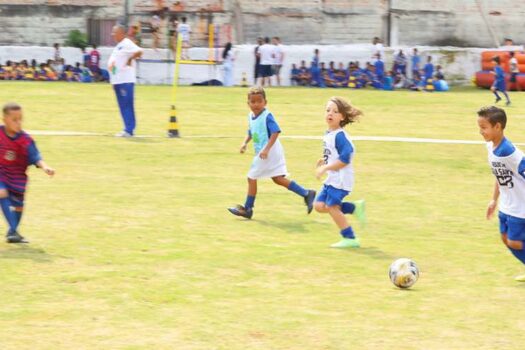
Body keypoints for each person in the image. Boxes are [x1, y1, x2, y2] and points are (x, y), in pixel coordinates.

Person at [227, 87, 316, 219]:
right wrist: (245, 143)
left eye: (259, 101)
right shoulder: (251, 116)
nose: (256, 104)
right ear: (248, 103)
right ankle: (306, 193)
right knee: (277, 179)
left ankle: (248, 209)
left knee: (251, 178)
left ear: (265, 102)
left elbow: (276, 132)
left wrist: (266, 149)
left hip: (269, 151)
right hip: (265, 152)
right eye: (253, 101)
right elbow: (251, 131)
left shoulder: (267, 116)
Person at [478, 106, 525, 282]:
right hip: (506, 205)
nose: (481, 131)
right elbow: (499, 176)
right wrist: (493, 200)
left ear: (498, 127)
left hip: (520, 208)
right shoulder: (490, 147)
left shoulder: (510, 152)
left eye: (484, 127)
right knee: (505, 238)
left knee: (514, 242)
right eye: (480, 127)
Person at [314, 97, 366, 248]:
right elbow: (332, 154)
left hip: (341, 180)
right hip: (332, 178)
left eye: (335, 112)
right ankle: (354, 208)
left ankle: (350, 238)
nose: (330, 113)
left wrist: (325, 168)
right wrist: (324, 161)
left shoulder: (340, 136)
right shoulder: (329, 133)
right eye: (328, 110)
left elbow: (345, 159)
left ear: (342, 117)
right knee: (318, 205)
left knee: (332, 207)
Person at [0, 103, 55, 243]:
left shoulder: (25, 140)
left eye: (20, 119)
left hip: (17, 175)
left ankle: (13, 233)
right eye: (14, 119)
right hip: (1, 171)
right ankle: (13, 229)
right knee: (2, 192)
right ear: (4, 119)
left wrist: (45, 167)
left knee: (18, 205)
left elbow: (35, 156)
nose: (18, 123)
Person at [107, 24, 144, 137]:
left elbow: (140, 51)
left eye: (115, 32)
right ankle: (127, 129)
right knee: (122, 106)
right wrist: (113, 81)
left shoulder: (127, 43)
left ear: (121, 33)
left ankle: (129, 130)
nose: (112, 34)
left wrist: (130, 58)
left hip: (125, 81)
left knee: (127, 105)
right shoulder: (119, 46)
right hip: (118, 81)